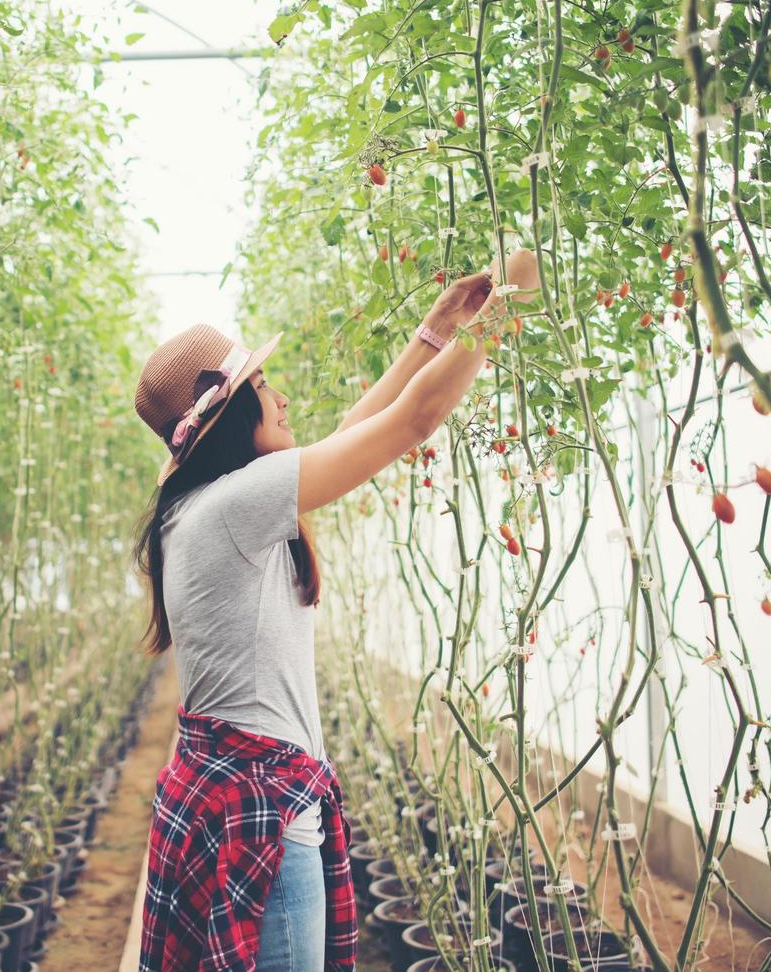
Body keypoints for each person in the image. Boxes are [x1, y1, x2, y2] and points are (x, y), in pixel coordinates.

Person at [131, 249, 541, 971]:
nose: (282, 398)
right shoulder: (238, 503)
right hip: (259, 819)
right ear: (228, 416)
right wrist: (505, 303)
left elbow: (351, 433)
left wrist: (435, 330)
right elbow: (412, 422)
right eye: (264, 384)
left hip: (221, 798)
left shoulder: (195, 506)